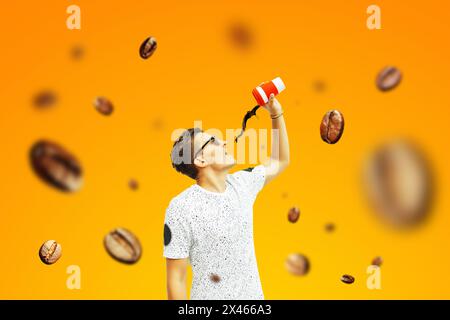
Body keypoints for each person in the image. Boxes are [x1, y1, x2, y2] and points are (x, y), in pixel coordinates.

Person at [164, 93, 290, 299]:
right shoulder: (181, 208)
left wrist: (276, 114)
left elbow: (280, 160)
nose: (223, 142)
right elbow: (176, 278)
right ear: (201, 160)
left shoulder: (242, 184)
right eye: (212, 141)